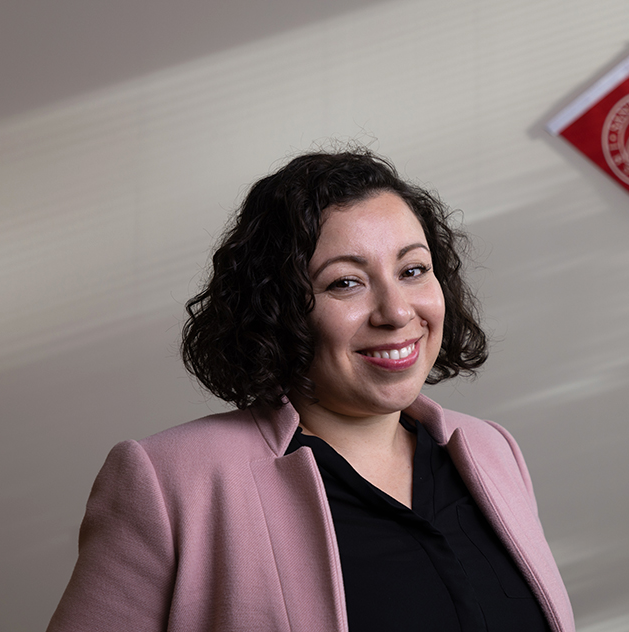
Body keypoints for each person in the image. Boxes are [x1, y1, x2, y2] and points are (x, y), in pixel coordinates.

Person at [47, 149, 575, 632]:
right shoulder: (168, 483)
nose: (396, 312)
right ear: (275, 309)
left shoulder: (490, 451)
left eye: (413, 270)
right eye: (345, 282)